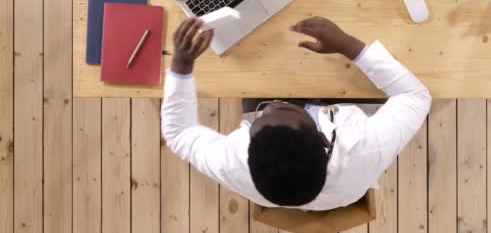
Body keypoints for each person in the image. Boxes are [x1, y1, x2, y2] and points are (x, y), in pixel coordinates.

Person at [161, 16, 431, 211]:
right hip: (345, 155)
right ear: (323, 138)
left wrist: (182, 64)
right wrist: (348, 45)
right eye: (286, 109)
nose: (271, 105)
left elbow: (179, 132)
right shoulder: (366, 148)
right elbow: (416, 96)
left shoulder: (232, 163)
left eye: (260, 119)